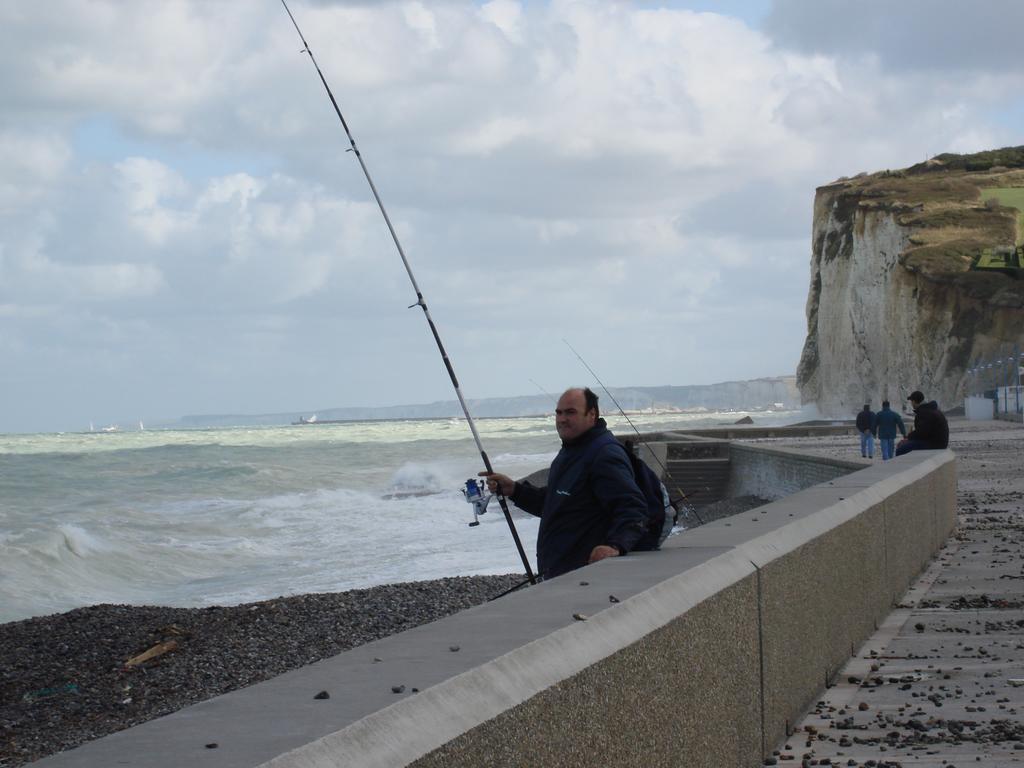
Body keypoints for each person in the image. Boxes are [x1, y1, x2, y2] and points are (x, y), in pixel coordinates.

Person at [480, 387, 649, 580]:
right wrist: (515, 491)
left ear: (592, 414)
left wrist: (614, 546)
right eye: (559, 413)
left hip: (586, 577)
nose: (562, 419)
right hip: (561, 572)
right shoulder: (572, 451)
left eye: (570, 412)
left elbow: (633, 508)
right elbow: (557, 503)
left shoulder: (604, 455)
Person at [895, 391, 949, 456]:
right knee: (907, 444)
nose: (911, 404)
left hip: (935, 444)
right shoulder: (931, 410)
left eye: (911, 401)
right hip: (940, 442)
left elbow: (922, 432)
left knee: (901, 450)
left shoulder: (924, 412)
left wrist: (909, 437)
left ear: (914, 401)